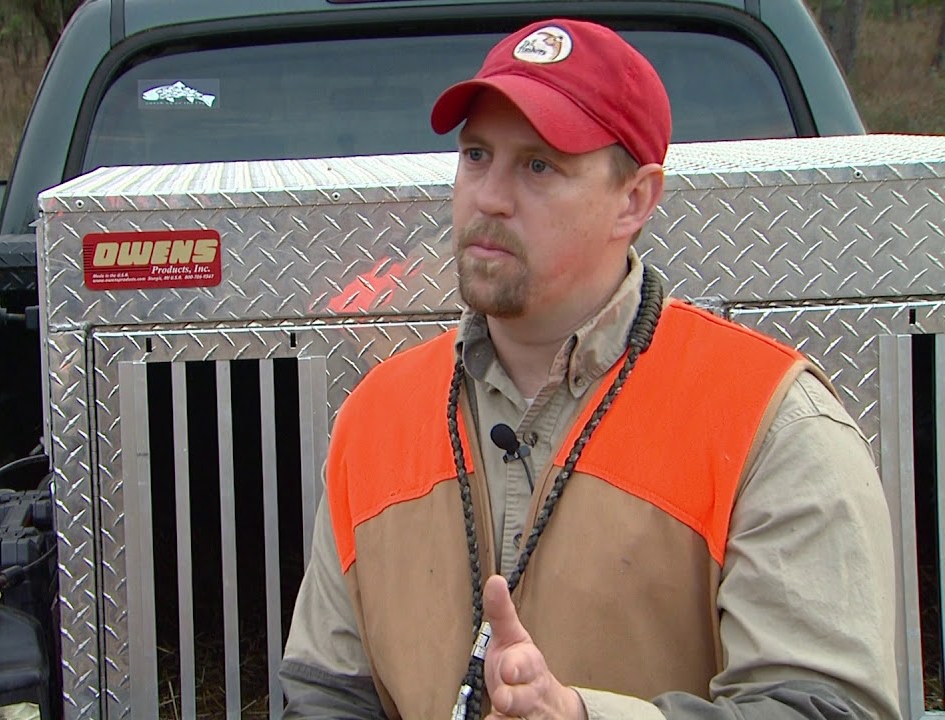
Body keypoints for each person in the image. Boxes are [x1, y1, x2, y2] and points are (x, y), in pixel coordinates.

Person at [278, 17, 899, 720]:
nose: (490, 197)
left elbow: (824, 708)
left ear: (635, 200)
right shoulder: (377, 415)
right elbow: (326, 693)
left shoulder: (770, 422)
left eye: (539, 166)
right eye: (476, 155)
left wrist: (581, 716)